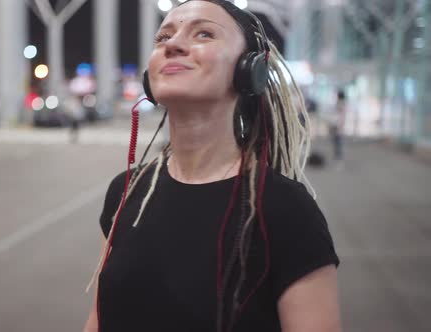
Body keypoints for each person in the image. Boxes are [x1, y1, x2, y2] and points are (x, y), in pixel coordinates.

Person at [84, 1, 341, 331]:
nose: (173, 44)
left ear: (249, 68)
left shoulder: (285, 209)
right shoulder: (126, 190)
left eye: (204, 34)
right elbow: (98, 320)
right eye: (163, 38)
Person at [330, 89, 347, 168]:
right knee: (337, 143)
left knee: (338, 143)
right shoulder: (341, 104)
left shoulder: (341, 104)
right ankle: (337, 158)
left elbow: (341, 117)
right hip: (337, 126)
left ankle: (339, 160)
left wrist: (339, 128)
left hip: (338, 127)